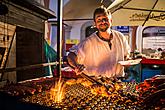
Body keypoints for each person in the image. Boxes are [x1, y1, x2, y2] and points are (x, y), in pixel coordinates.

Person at [67, 6, 130, 78]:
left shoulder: (120, 37)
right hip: (96, 82)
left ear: (111, 21)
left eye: (105, 19)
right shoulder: (88, 42)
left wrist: (128, 61)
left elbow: (126, 55)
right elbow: (71, 55)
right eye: (99, 20)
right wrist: (76, 65)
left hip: (117, 81)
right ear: (95, 24)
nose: (102, 22)